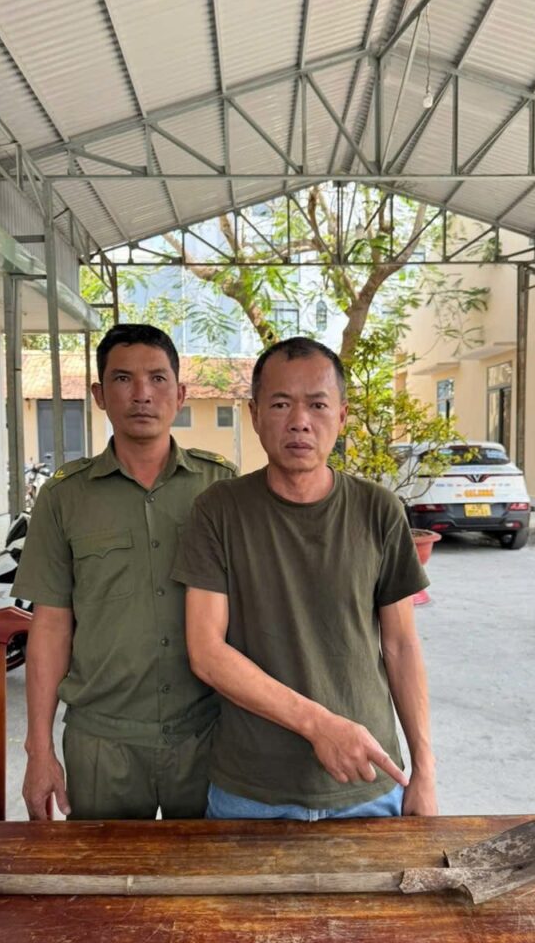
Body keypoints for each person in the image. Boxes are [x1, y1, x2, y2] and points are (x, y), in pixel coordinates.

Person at [172, 336, 437, 820]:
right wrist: (320, 725)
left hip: (368, 783)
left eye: (317, 404)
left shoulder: (378, 510)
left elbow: (401, 646)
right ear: (254, 415)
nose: (299, 421)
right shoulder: (219, 511)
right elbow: (206, 652)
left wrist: (425, 769)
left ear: (342, 416)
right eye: (280, 404)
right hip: (251, 791)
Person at [12, 324, 236, 821]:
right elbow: (50, 625)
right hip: (101, 741)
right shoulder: (64, 496)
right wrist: (39, 749)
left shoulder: (221, 487)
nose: (141, 394)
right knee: (101, 869)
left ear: (180, 393)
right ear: (98, 395)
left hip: (207, 732)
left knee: (209, 870)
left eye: (157, 378)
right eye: (122, 379)